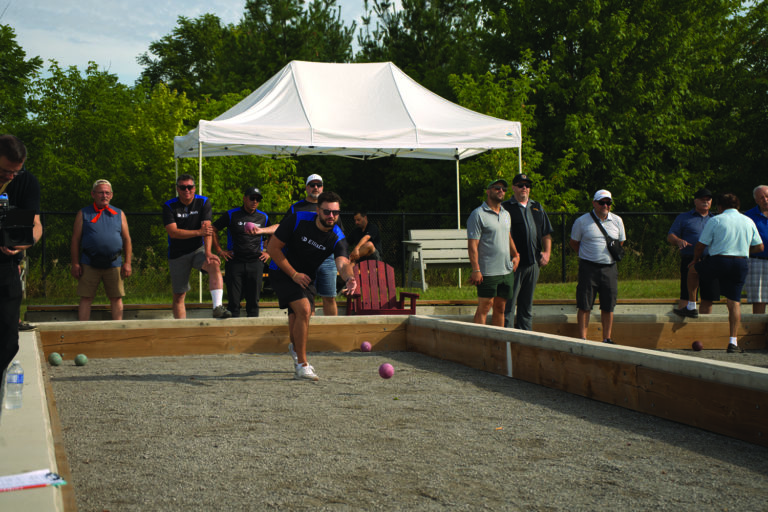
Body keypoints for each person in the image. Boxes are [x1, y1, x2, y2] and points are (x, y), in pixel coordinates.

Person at [266, 191, 357, 381]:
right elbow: (272, 248)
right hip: (281, 270)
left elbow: (342, 262)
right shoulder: (297, 219)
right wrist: (293, 274)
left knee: (297, 319)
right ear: (318, 210)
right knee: (304, 310)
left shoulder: (337, 236)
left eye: (335, 213)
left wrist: (349, 278)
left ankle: (295, 349)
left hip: (306, 277)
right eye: (327, 212)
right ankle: (302, 364)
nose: (331, 216)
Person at [253, 174, 341, 316]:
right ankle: (308, 331)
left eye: (319, 184)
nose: (316, 187)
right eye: (312, 185)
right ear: (307, 187)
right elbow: (281, 228)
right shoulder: (296, 208)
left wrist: (347, 269)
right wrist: (261, 230)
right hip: (302, 259)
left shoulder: (332, 210)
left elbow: (338, 236)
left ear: (323, 187)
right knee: (306, 298)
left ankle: (330, 334)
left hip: (325, 258)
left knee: (329, 296)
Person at [690, 193, 763, 353]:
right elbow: (760, 247)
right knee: (734, 301)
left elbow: (701, 245)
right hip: (740, 262)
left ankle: (690, 304)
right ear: (738, 206)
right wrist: (744, 250)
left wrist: (695, 260)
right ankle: (733, 341)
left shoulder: (715, 220)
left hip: (719, 259)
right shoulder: (748, 220)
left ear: (720, 207)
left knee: (692, 271)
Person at [0, 135, 42, 381]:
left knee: (8, 337)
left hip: (6, 267)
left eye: (16, 171)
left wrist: (26, 242)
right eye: (5, 171)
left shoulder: (26, 182)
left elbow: (35, 224)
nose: (10, 177)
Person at [162, 174, 230, 319]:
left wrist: (208, 253)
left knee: (214, 264)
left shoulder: (203, 202)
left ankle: (217, 307)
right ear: (177, 189)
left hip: (198, 249)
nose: (187, 190)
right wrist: (198, 232)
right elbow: (173, 233)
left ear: (194, 188)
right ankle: (181, 328)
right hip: (177, 252)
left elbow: (207, 229)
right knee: (179, 294)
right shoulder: (169, 206)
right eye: (182, 187)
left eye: (190, 187)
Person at [569, 190, 626, 344]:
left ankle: (607, 338)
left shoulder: (617, 221)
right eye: (602, 202)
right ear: (594, 203)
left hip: (610, 268)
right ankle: (582, 338)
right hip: (588, 268)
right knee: (584, 304)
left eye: (608, 203)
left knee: (608, 305)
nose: (605, 206)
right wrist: (588, 255)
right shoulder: (582, 221)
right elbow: (574, 243)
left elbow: (620, 242)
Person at [70, 179, 132, 321]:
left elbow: (127, 239)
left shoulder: (119, 213)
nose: (104, 195)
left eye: (107, 193)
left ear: (111, 195)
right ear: (93, 194)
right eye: (101, 192)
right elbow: (75, 240)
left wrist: (128, 263)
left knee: (116, 298)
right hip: (89, 263)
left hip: (114, 263)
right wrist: (75, 264)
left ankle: (118, 330)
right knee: (86, 298)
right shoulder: (83, 213)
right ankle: (83, 330)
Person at [501, 173, 553, 330]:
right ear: (513, 187)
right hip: (512, 265)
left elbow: (546, 233)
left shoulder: (537, 207)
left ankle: (526, 338)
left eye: (527, 185)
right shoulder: (505, 208)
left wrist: (547, 252)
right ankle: (507, 342)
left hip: (533, 264)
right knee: (508, 306)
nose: (524, 188)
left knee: (527, 306)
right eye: (520, 185)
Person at [467, 179, 520, 326]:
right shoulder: (477, 214)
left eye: (503, 189)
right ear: (488, 191)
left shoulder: (505, 214)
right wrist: (476, 269)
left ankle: (498, 344)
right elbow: (472, 245)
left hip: (506, 270)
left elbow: (507, 236)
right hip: (487, 271)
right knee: (485, 306)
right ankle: (480, 343)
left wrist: (516, 255)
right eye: (497, 188)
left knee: (500, 308)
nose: (501, 191)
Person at [211, 186, 270, 317]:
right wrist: (220, 251)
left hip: (256, 261)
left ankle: (252, 330)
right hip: (235, 261)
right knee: (233, 301)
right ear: (244, 198)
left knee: (253, 301)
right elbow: (213, 229)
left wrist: (268, 252)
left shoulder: (263, 217)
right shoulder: (232, 214)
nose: (255, 201)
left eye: (258, 199)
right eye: (252, 198)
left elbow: (273, 234)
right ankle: (233, 334)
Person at [667, 188, 717, 318]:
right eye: (702, 199)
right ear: (695, 201)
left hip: (710, 260)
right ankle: (682, 325)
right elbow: (671, 235)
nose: (706, 202)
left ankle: (704, 328)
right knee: (686, 293)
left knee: (708, 296)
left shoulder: (716, 219)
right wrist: (678, 241)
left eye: (708, 199)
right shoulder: (684, 217)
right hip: (689, 259)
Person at [744, 185, 768, 314]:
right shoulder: (749, 216)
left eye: (767, 196)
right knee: (759, 298)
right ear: (756, 201)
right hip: (757, 261)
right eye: (761, 197)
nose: (765, 199)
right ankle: (758, 331)